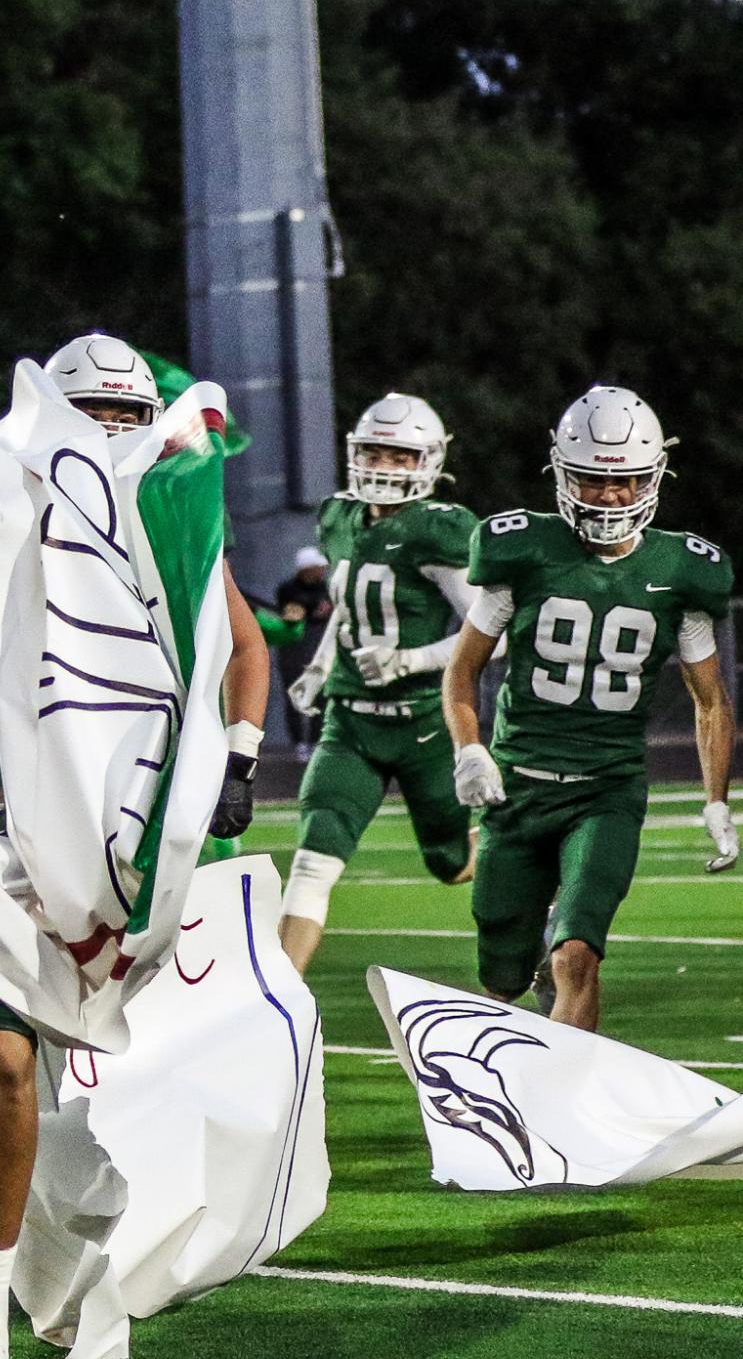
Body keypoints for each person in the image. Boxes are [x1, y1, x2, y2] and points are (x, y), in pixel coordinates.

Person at [445, 386, 735, 1030]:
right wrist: (470, 749)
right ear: (562, 474)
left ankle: (563, 1112)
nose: (610, 496)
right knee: (500, 972)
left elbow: (710, 700)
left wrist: (715, 798)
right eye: (593, 479)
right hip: (517, 788)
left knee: (579, 956)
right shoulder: (522, 553)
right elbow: (462, 671)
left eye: (627, 482)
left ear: (653, 479)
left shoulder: (681, 570)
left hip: (607, 790)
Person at [275, 395, 481, 972]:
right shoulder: (339, 516)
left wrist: (409, 661)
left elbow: (492, 630)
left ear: (429, 462)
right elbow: (347, 608)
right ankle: (270, 1005)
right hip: (352, 722)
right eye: (374, 451)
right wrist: (319, 668)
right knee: (314, 859)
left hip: (424, 722)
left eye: (400, 455)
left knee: (450, 863)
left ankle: (530, 886)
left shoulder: (440, 529)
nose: (385, 466)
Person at [40, 332, 272, 841]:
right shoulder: (11, 513)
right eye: (91, 413)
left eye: (125, 415)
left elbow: (245, 644)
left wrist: (238, 763)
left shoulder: (168, 511)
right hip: (53, 767)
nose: (110, 430)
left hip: (163, 762)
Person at [274, 546, 332, 761]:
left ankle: (316, 740)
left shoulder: (324, 588)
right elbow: (294, 612)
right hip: (294, 650)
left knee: (320, 696)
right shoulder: (289, 589)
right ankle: (300, 742)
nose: (321, 572)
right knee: (295, 696)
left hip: (319, 648)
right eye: (317, 568)